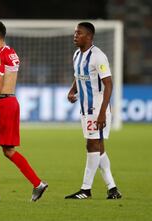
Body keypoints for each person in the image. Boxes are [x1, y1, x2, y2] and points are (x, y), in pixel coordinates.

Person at [0, 21, 48, 202]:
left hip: (2, 103)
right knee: (8, 149)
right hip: (13, 102)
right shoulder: (12, 52)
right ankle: (38, 184)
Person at [65, 22, 122, 199]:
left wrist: (102, 112)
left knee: (92, 146)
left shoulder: (98, 57)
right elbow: (79, 75)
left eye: (79, 33)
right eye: (75, 33)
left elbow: (109, 85)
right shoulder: (77, 55)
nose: (75, 36)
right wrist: (72, 90)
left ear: (89, 37)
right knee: (99, 148)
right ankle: (112, 189)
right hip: (85, 109)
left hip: (97, 109)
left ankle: (85, 189)